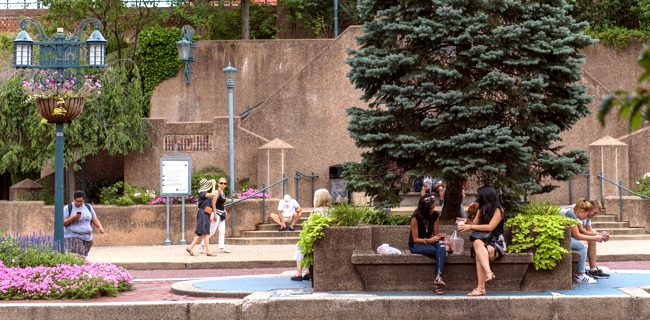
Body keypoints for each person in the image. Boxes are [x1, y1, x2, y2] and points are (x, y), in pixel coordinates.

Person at [457, 185, 506, 296]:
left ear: (486, 196)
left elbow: (489, 227)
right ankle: (489, 273)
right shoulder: (481, 209)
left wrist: (469, 227)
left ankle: (481, 288)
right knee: (477, 242)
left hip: (497, 242)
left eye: (479, 196)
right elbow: (475, 225)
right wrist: (466, 221)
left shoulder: (499, 210)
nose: (477, 198)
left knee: (480, 253)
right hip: (484, 242)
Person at [560, 199, 607, 283]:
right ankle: (580, 275)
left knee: (584, 242)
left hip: (563, 237)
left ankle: (585, 271)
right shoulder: (570, 214)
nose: (586, 218)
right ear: (582, 211)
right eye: (586, 215)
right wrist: (596, 237)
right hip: (560, 239)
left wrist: (598, 235)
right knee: (582, 244)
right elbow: (578, 235)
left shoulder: (573, 212)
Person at [408, 194, 447, 294]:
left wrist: (440, 237)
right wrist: (430, 240)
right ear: (424, 208)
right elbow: (416, 239)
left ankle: (438, 277)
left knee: (442, 246)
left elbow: (435, 235)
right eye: (430, 208)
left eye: (434, 207)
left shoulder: (435, 215)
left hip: (430, 242)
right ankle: (437, 285)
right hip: (416, 245)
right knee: (438, 252)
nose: (432, 210)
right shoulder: (415, 217)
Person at [291, 188, 332, 281]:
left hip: (318, 239)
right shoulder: (331, 210)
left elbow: (309, 226)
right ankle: (309, 272)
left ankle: (298, 274)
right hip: (329, 239)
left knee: (299, 247)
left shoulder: (316, 211)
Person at [63, 190, 104, 256]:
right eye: (77, 201)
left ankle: (79, 266)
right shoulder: (68, 208)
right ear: (74, 199)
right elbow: (63, 223)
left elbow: (94, 218)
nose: (79, 203)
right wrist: (74, 217)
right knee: (79, 253)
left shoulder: (88, 207)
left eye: (81, 201)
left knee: (84, 255)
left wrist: (100, 227)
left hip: (87, 237)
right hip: (74, 235)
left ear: (83, 200)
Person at [186, 178, 219, 256]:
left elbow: (209, 205)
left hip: (206, 213)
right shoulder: (202, 193)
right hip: (203, 214)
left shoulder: (204, 193)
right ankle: (208, 251)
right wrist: (213, 185)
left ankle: (190, 247)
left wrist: (210, 215)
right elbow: (213, 194)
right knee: (205, 234)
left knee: (201, 234)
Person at [200, 177, 232, 254]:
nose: (223, 185)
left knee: (222, 231)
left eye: (224, 183)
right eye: (221, 183)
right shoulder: (217, 192)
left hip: (221, 213)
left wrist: (224, 210)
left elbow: (221, 203)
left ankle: (222, 247)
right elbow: (213, 203)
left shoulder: (223, 193)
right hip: (216, 213)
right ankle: (202, 245)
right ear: (218, 184)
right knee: (212, 231)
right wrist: (214, 214)